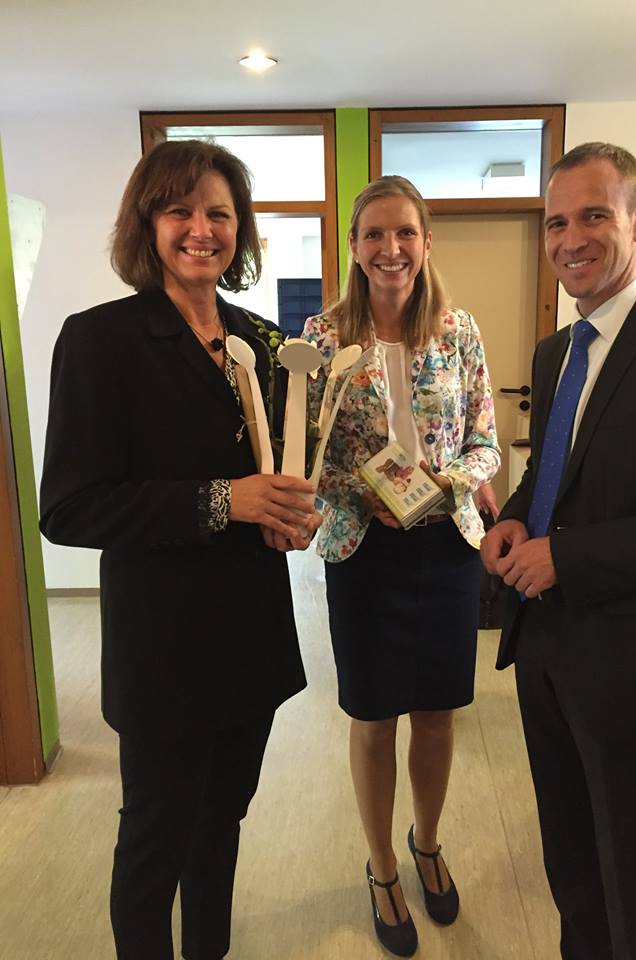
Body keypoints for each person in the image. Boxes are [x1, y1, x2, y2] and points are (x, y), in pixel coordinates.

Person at [39, 139, 322, 960]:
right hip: (164, 648)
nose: (202, 229)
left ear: (241, 229)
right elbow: (69, 507)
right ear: (148, 224)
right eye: (180, 211)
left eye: (219, 214)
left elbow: (280, 471)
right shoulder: (101, 340)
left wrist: (290, 515)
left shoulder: (262, 340)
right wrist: (225, 501)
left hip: (252, 637)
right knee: (156, 837)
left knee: (222, 820)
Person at [481, 142, 636, 959]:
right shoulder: (556, 352)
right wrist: (517, 519)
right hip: (546, 649)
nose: (571, 238)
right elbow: (554, 473)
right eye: (556, 222)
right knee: (572, 871)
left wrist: (568, 557)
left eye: (593, 216)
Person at [303, 175, 500, 957]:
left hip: (445, 544)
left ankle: (427, 841)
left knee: (438, 711)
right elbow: (307, 455)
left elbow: (485, 441)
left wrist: (446, 484)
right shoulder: (323, 338)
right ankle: (382, 866)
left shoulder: (458, 330)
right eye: (375, 234)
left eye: (405, 233)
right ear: (354, 247)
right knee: (374, 713)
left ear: (426, 242)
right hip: (363, 548)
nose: (391, 248)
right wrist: (362, 492)